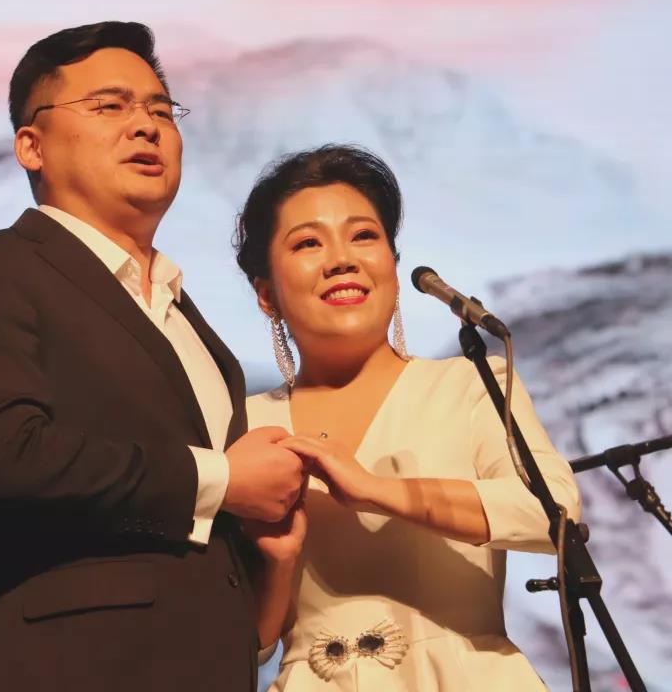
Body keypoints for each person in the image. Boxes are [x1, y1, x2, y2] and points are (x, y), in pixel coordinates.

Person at [0, 21, 305, 692]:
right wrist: (221, 479)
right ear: (31, 146)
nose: (145, 125)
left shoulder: (190, 322)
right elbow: (10, 457)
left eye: (162, 110)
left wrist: (269, 564)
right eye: (109, 106)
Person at [234, 144, 582, 690]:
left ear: (393, 270)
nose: (341, 259)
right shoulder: (246, 425)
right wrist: (278, 563)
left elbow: (554, 513)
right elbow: (248, 645)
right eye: (307, 243)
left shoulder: (470, 384)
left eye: (363, 236)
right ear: (266, 295)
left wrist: (376, 491)